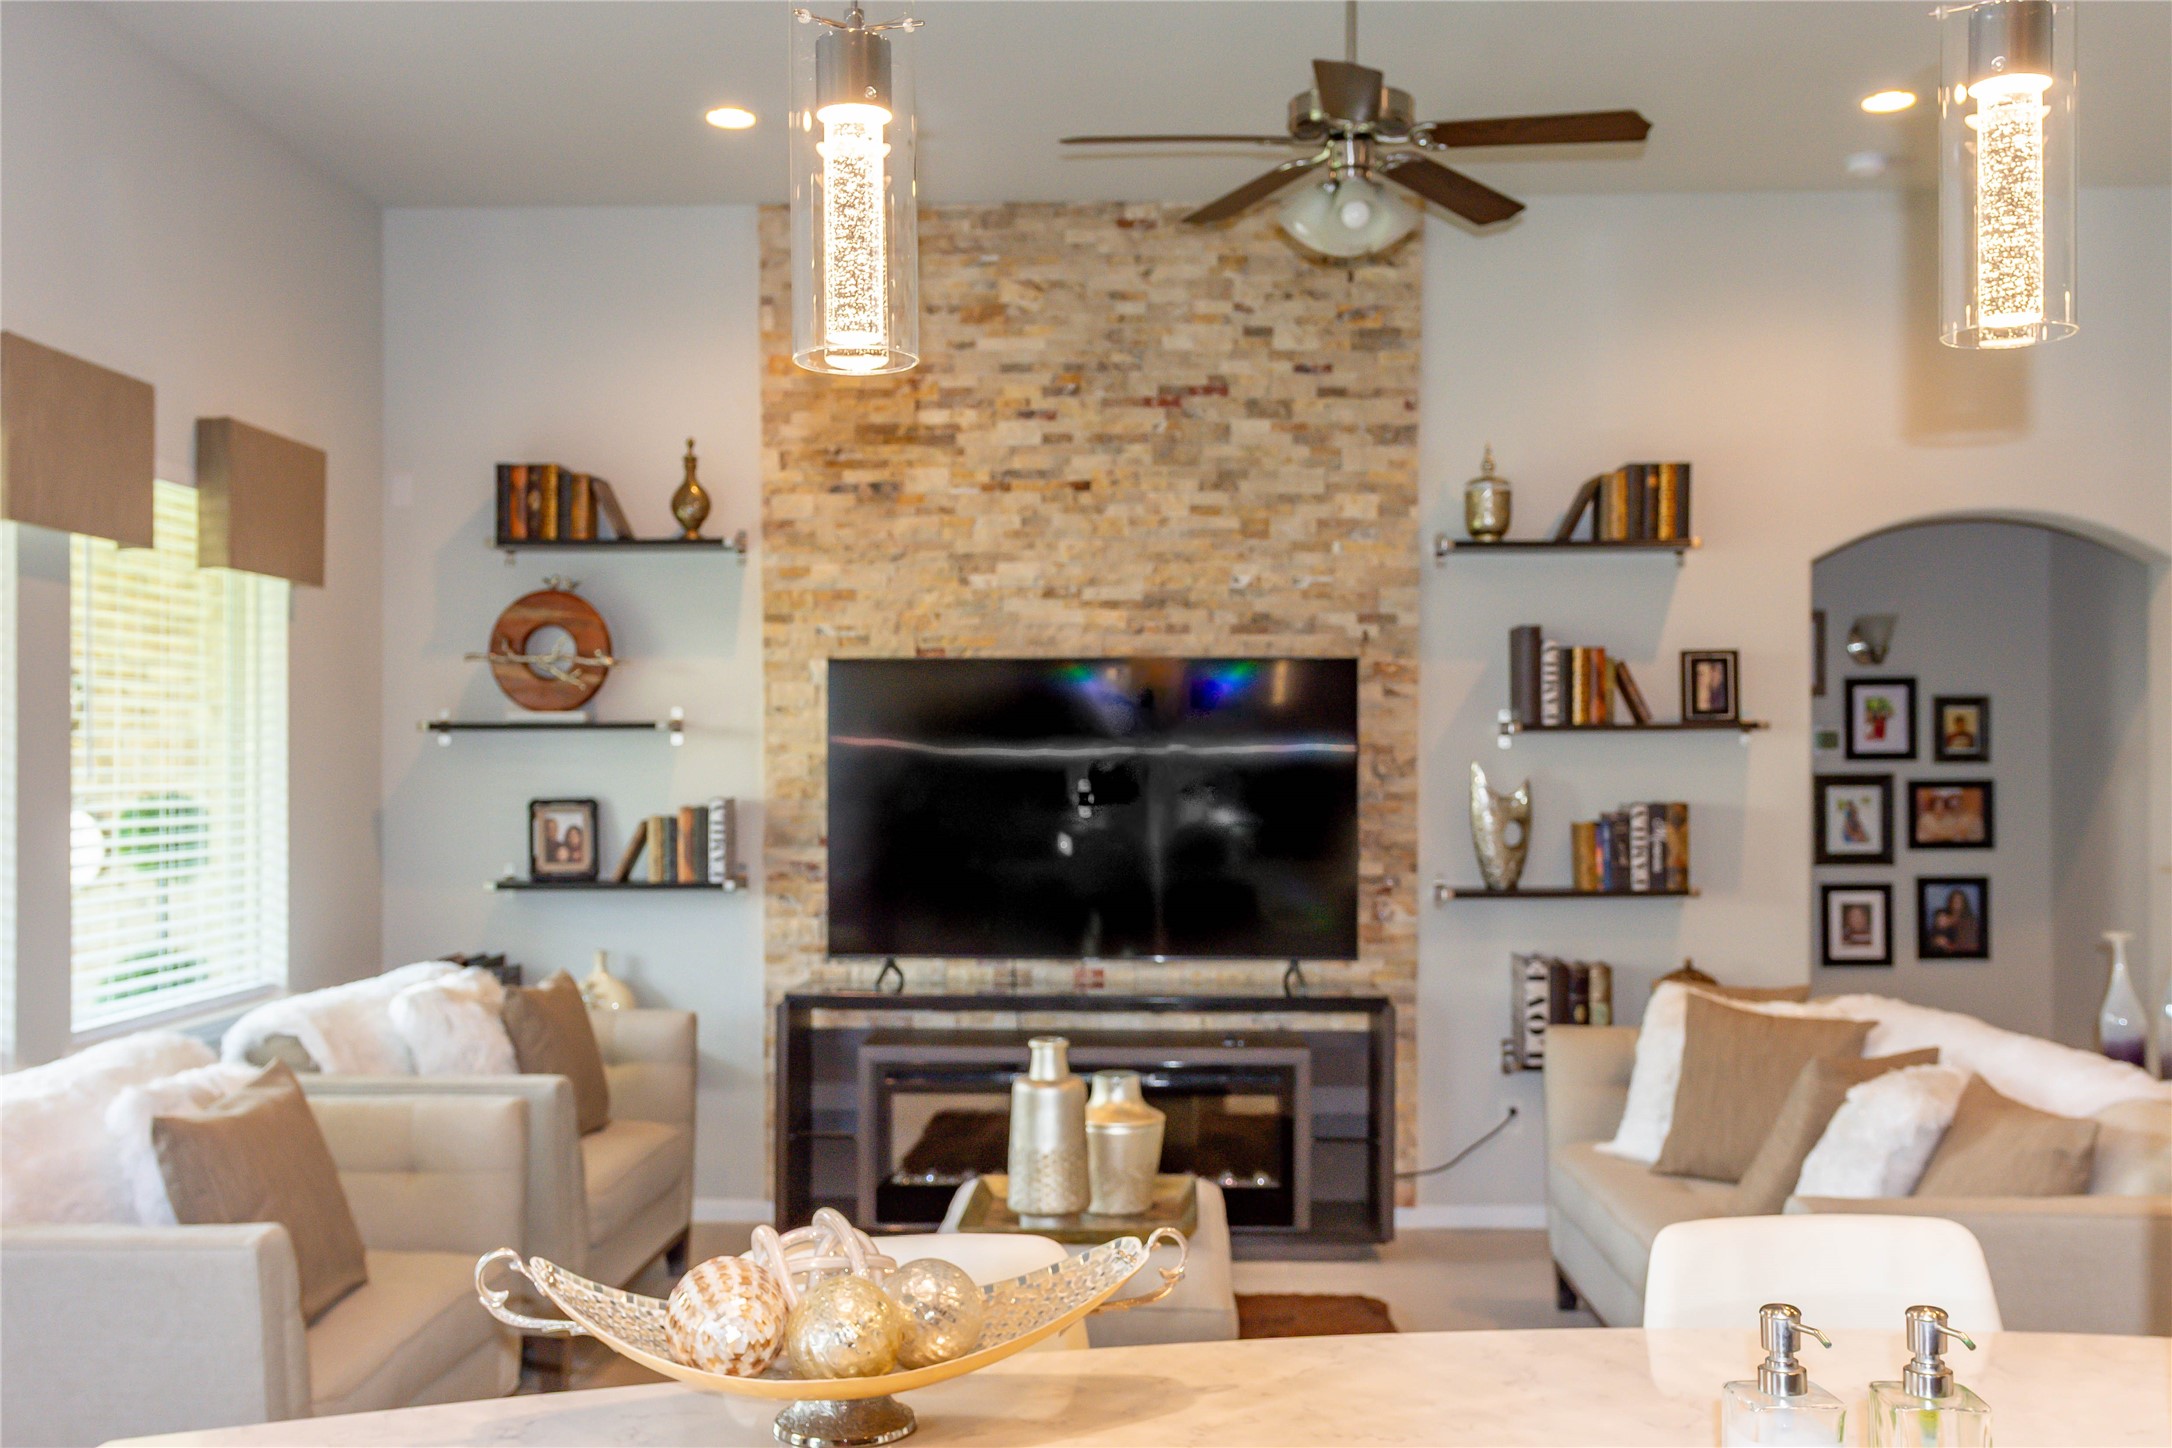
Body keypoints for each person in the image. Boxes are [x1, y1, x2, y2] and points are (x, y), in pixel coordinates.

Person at [1929, 888, 1982, 954]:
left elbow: (1969, 946)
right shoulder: (1943, 916)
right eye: (1953, 900)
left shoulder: (1970, 921)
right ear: (1949, 902)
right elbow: (1931, 935)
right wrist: (1934, 941)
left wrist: (1947, 945)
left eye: (1959, 900)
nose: (1956, 903)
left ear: (1964, 903)